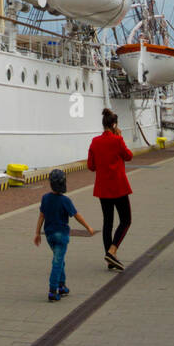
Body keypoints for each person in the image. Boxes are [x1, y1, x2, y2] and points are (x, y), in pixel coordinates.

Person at [33, 168, 95, 301]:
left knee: (60, 259)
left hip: (49, 235)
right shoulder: (65, 201)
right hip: (61, 235)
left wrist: (37, 233)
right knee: (57, 261)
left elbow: (41, 216)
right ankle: (52, 290)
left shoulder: (45, 198)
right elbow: (76, 215)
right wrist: (88, 227)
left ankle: (62, 286)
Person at [87, 108, 134, 271]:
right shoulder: (117, 140)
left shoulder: (94, 141)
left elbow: (91, 166)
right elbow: (128, 156)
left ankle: (109, 259)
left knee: (108, 222)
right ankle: (112, 251)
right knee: (126, 220)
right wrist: (120, 137)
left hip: (103, 188)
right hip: (119, 187)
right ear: (114, 125)